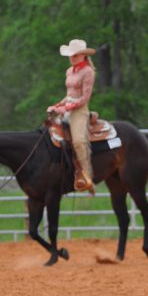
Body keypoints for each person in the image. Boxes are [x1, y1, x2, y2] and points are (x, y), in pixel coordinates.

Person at [47, 39, 97, 193]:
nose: (72, 57)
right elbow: (69, 95)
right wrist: (57, 105)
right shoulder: (70, 71)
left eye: (75, 55)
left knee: (79, 142)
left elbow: (85, 98)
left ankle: (86, 175)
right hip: (67, 108)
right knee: (48, 135)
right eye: (70, 55)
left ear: (83, 55)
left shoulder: (88, 72)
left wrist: (66, 107)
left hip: (79, 111)